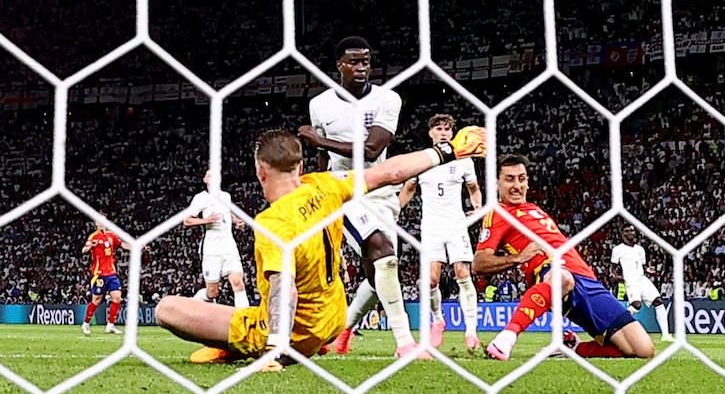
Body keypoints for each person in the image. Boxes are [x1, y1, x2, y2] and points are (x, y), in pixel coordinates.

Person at [154, 126, 486, 369]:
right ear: (300, 167)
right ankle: (240, 345)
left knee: (167, 309)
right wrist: (446, 151)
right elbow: (390, 172)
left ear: (260, 171)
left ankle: (254, 347)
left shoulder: (273, 222)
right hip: (334, 318)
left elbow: (285, 290)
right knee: (244, 313)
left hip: (299, 332)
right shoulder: (326, 185)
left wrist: (275, 349)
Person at [298, 37, 416, 357]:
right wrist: (321, 190)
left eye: (366, 62)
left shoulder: (387, 99)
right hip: (344, 191)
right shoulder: (320, 104)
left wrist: (320, 139)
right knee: (382, 251)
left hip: (381, 190)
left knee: (381, 268)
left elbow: (373, 148)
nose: (361, 68)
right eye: (354, 62)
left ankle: (342, 330)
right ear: (339, 65)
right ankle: (405, 343)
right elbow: (323, 158)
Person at [476, 154, 654, 361]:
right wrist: (518, 258)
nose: (517, 185)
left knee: (642, 350)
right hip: (552, 275)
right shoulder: (498, 213)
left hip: (588, 281)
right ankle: (506, 338)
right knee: (562, 278)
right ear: (496, 182)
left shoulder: (534, 209)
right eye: (509, 179)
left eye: (521, 178)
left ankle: (571, 347)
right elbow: (479, 263)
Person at [398, 114, 484, 354]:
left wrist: (477, 207)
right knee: (431, 280)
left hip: (456, 224)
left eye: (448, 129)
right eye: (439, 128)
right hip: (431, 227)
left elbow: (474, 189)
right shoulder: (422, 161)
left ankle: (471, 333)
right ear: (431, 133)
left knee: (462, 272)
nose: (444, 132)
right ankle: (438, 320)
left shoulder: (464, 161)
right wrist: (393, 211)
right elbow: (409, 189)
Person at [184, 170, 249, 310]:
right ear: (205, 180)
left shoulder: (226, 196)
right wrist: (206, 220)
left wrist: (237, 221)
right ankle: (193, 302)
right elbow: (187, 221)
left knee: (238, 282)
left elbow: (228, 212)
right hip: (211, 249)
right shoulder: (200, 198)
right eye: (209, 175)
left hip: (229, 246)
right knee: (212, 293)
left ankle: (244, 321)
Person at [611, 226, 670, 341]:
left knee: (658, 302)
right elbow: (613, 267)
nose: (631, 233)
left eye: (632, 230)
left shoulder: (640, 249)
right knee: (636, 305)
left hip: (642, 279)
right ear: (623, 234)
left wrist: (649, 270)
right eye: (628, 231)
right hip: (630, 280)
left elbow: (641, 266)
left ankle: (666, 335)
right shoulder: (618, 249)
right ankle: (616, 324)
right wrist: (616, 276)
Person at [82, 224, 130, 335]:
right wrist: (91, 246)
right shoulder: (93, 236)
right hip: (99, 274)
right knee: (96, 300)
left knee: (117, 298)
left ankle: (110, 325)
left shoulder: (111, 235)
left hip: (111, 273)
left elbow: (122, 244)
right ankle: (86, 323)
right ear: (96, 224)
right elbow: (84, 250)